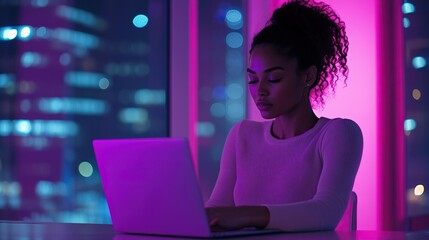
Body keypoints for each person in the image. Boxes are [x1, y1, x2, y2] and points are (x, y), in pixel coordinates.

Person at [205, 0, 363, 232]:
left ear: (308, 76)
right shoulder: (242, 135)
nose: (259, 91)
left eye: (274, 79)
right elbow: (218, 209)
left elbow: (326, 211)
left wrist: (247, 215)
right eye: (253, 79)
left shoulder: (338, 134)